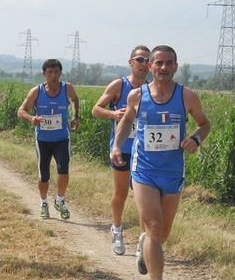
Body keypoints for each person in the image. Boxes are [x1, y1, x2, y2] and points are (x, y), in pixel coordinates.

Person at [111, 45, 211, 280]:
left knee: (162, 233)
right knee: (154, 225)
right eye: (158, 63)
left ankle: (145, 245)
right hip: (143, 170)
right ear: (150, 67)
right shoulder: (137, 96)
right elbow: (125, 124)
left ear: (176, 67)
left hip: (172, 172)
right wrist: (117, 146)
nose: (163, 68)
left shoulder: (187, 96)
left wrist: (195, 139)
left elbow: (205, 124)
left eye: (169, 63)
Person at [91, 45, 151, 257]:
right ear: (131, 62)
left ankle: (144, 243)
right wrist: (114, 115)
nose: (144, 64)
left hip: (144, 151)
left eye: (147, 60)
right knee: (121, 193)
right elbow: (95, 109)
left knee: (146, 198)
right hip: (122, 149)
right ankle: (117, 230)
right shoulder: (119, 85)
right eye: (140, 59)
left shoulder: (152, 89)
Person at [17, 59, 80, 220]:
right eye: (49, 72)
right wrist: (31, 119)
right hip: (43, 140)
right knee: (43, 176)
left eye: (56, 72)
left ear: (60, 73)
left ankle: (60, 200)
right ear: (44, 74)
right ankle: (44, 202)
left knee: (63, 169)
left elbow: (74, 99)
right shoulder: (36, 91)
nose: (53, 75)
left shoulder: (67, 88)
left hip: (61, 138)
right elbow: (21, 110)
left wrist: (75, 117)